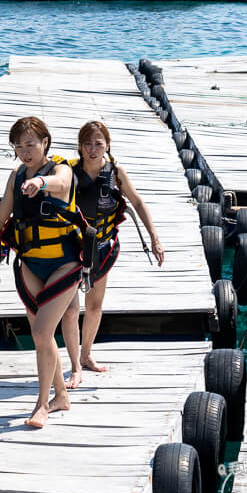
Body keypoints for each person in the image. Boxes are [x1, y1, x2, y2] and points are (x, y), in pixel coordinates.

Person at [0, 117, 91, 429]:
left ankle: (41, 404)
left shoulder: (61, 168)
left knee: (40, 332)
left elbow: (61, 183)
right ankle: (60, 396)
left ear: (45, 142)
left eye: (30, 144)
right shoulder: (16, 175)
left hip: (64, 261)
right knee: (43, 335)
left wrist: (40, 183)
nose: (24, 150)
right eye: (19, 145)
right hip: (29, 263)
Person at [61, 121, 165, 388]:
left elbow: (138, 202)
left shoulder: (116, 173)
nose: (93, 149)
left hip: (103, 246)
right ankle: (74, 367)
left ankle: (86, 356)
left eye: (98, 143)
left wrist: (154, 236)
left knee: (94, 306)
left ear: (107, 145)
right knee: (71, 310)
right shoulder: (68, 172)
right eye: (87, 143)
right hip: (71, 246)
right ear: (80, 146)